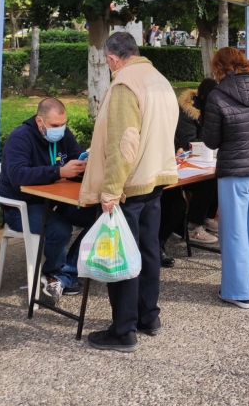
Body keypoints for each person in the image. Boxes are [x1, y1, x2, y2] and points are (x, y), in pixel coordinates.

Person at [79, 32, 180, 352]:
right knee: (148, 252)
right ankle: (148, 316)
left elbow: (124, 141)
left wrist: (110, 190)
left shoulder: (124, 83)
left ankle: (123, 330)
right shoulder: (159, 78)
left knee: (121, 255)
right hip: (155, 180)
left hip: (129, 185)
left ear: (111, 59)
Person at [201, 47, 249, 308]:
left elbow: (210, 141)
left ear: (220, 68)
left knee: (233, 231)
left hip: (235, 170)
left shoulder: (217, 94)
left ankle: (238, 291)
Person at [0, 98, 92, 301]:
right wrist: (59, 171)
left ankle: (60, 276)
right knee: (59, 230)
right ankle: (56, 275)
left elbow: (75, 156)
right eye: (55, 126)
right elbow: (17, 175)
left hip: (57, 201)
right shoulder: (20, 137)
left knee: (99, 217)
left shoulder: (64, 134)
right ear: (39, 121)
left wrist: (83, 164)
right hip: (21, 207)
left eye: (63, 124)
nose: (60, 129)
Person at [159, 78, 220, 264]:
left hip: (179, 161)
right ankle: (194, 226)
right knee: (205, 182)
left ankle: (204, 218)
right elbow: (188, 140)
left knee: (217, 177)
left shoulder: (211, 108)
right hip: (185, 163)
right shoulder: (188, 112)